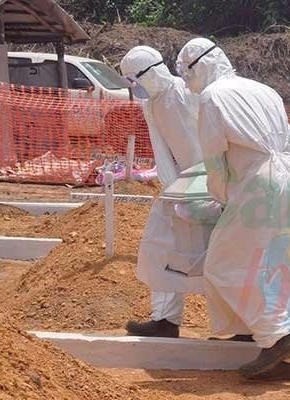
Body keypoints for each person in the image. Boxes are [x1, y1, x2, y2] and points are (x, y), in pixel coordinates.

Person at [176, 38, 290, 381]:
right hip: (289, 179)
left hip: (256, 186)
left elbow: (214, 158)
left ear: (199, 66)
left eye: (187, 73)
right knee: (284, 267)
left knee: (225, 265)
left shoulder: (212, 97)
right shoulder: (264, 90)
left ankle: (277, 336)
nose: (187, 82)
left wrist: (222, 196)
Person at [119, 46, 204, 338]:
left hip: (214, 186)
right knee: (161, 247)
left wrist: (216, 184)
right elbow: (163, 152)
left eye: (135, 79)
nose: (134, 86)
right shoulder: (151, 104)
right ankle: (165, 319)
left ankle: (242, 327)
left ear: (151, 71)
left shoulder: (186, 92)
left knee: (226, 257)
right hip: (182, 189)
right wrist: (173, 190)